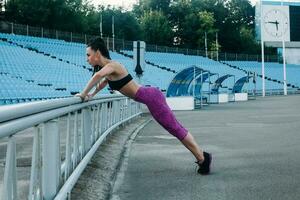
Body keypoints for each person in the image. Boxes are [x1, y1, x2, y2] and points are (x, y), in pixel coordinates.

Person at [75, 37, 212, 175]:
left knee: (175, 129)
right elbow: (103, 82)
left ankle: (202, 158)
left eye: (88, 55)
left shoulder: (112, 65)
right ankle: (202, 156)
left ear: (97, 53)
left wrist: (83, 94)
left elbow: (98, 76)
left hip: (152, 98)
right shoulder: (109, 69)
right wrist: (91, 95)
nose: (87, 59)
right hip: (151, 97)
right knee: (176, 128)